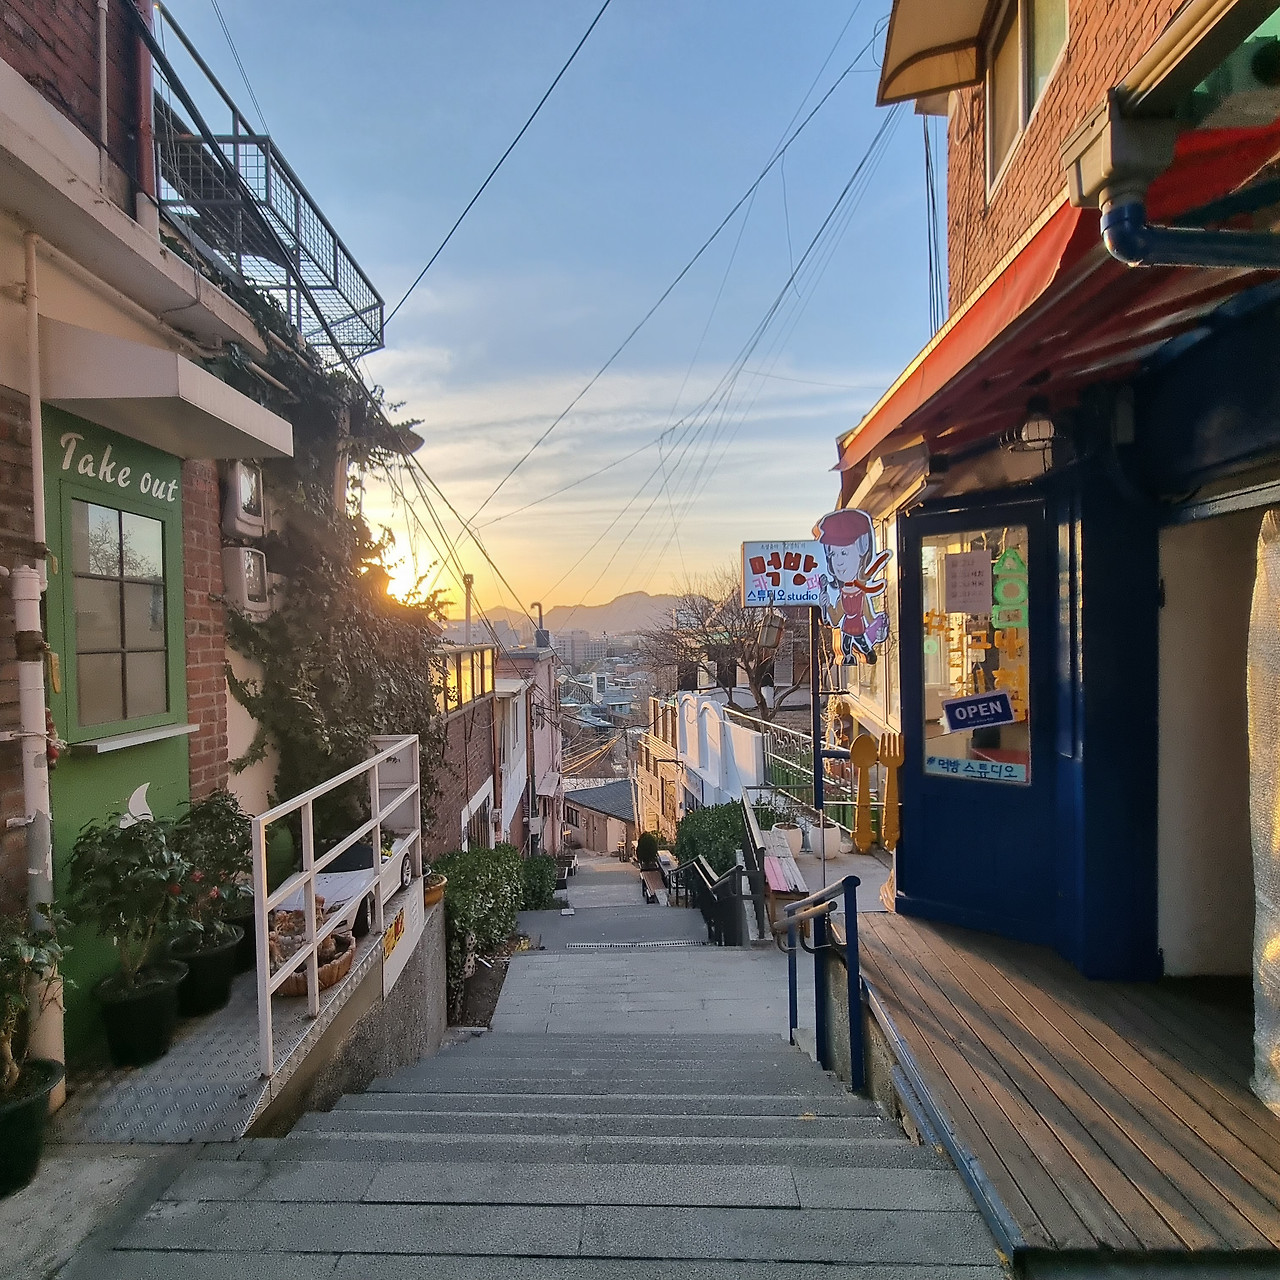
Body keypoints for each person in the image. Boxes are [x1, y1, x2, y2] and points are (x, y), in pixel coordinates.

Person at [815, 508, 890, 664]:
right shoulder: (842, 594)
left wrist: (879, 630)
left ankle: (867, 653)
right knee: (847, 644)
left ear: (863, 551)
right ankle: (855, 654)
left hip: (858, 625)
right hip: (847, 626)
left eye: (844, 553)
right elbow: (835, 619)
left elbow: (869, 617)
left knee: (860, 641)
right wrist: (826, 604)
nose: (838, 561)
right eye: (833, 554)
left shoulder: (861, 595)